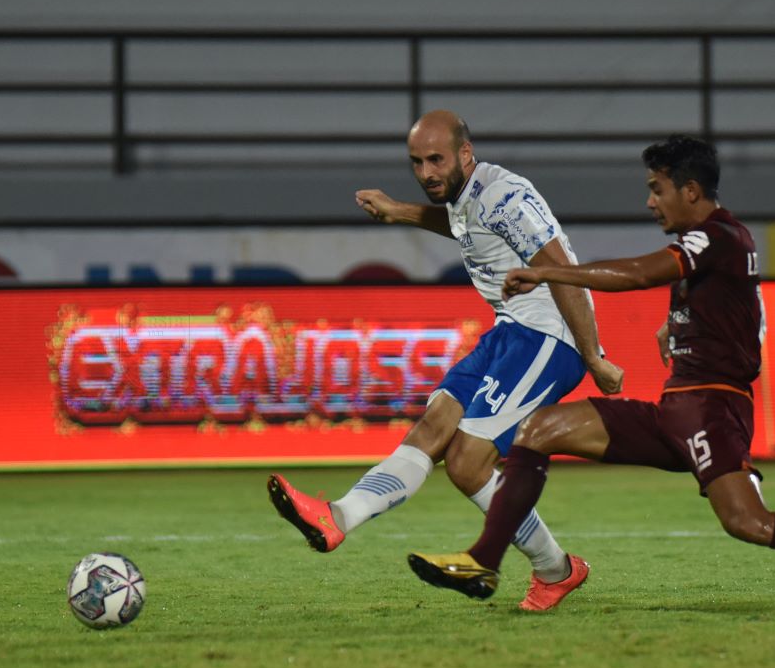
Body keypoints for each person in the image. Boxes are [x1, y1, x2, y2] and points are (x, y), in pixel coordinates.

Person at [408, 134, 775, 622]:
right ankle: (486, 561)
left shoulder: (718, 236)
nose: (650, 201)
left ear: (689, 190)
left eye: (657, 189)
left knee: (749, 524)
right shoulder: (715, 243)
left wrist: (548, 270)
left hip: (713, 410)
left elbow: (640, 274)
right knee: (539, 428)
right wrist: (677, 323)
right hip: (678, 409)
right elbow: (738, 304)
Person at [267, 110, 624, 612]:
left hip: (549, 336)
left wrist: (594, 356)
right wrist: (399, 211)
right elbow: (463, 226)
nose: (426, 172)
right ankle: (338, 517)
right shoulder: (465, 196)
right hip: (510, 331)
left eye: (436, 159)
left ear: (465, 153)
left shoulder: (504, 194)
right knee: (434, 428)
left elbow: (561, 269)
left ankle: (554, 570)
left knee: (467, 460)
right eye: (416, 162)